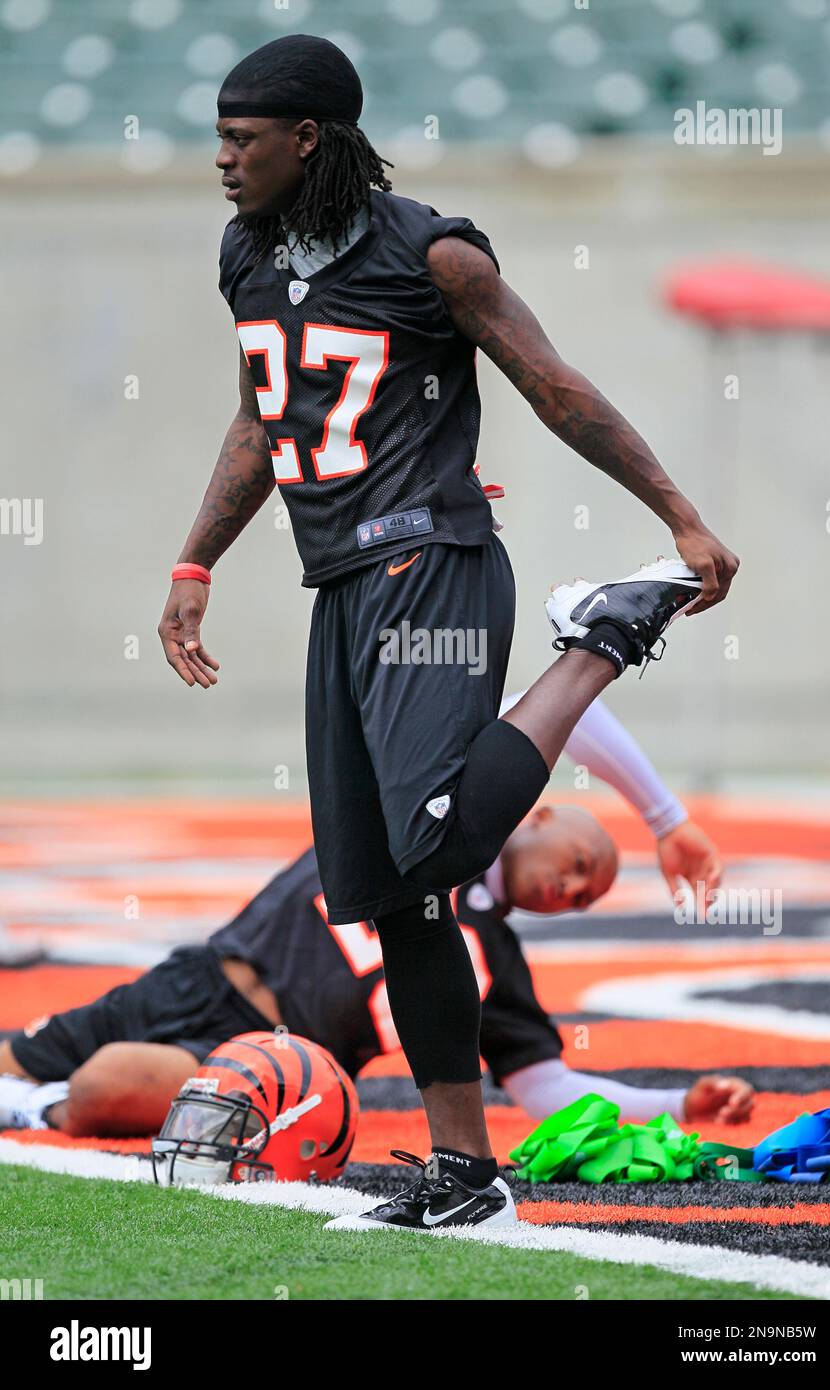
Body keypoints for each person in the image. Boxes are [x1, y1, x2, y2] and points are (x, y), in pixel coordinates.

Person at [156, 34, 739, 1231]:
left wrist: (676, 516)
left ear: (306, 138)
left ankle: (602, 639)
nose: (219, 160)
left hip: (430, 560)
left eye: (240, 138)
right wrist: (194, 555)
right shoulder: (248, 253)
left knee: (433, 846)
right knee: (389, 897)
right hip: (341, 586)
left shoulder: (433, 253)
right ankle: (464, 1172)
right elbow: (267, 416)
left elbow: (552, 384)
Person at [0, 701, 751, 1137]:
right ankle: (27, 1094)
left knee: (109, 1087)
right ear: (540, 811)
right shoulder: (433, 805)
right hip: (201, 977)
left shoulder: (495, 957)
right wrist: (664, 817)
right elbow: (571, 704)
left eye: (584, 898)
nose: (572, 887)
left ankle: (41, 1109)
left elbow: (545, 1087)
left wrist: (674, 1106)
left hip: (275, 1064)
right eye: (581, 863)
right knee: (20, 1053)